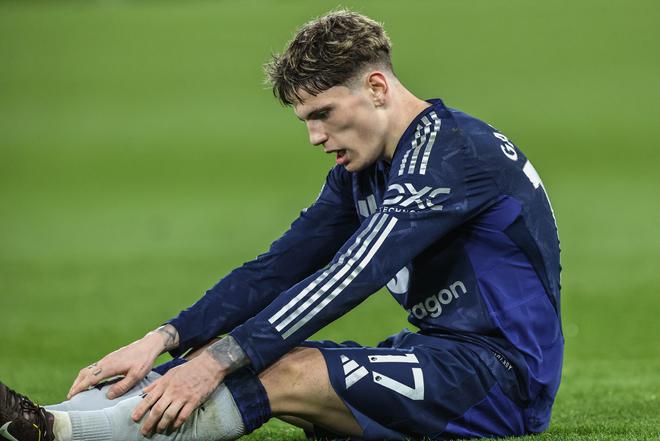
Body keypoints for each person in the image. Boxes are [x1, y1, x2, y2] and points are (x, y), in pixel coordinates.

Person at [0, 9, 563, 441]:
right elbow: (277, 267)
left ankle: (62, 434)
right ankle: (38, 419)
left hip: (501, 378)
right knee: (233, 355)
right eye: (305, 120)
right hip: (439, 354)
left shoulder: (453, 154)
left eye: (323, 114)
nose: (315, 137)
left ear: (376, 88)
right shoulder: (364, 169)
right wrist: (166, 338)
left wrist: (219, 358)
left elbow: (351, 274)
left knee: (281, 371)